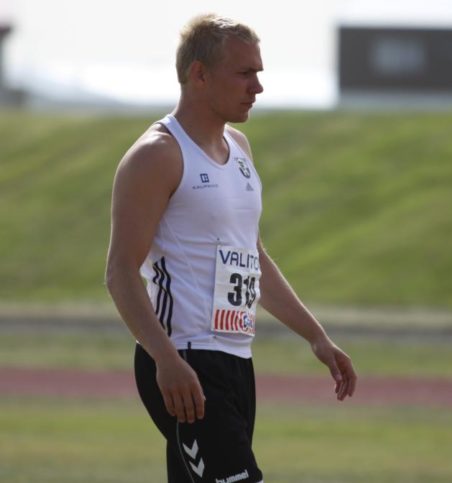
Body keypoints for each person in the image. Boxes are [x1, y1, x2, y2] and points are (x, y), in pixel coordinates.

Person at [105, 14, 357, 483]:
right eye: (244, 73)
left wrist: (316, 336)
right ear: (199, 74)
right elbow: (120, 272)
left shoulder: (239, 148)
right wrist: (166, 360)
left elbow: (252, 257)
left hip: (237, 360)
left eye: (258, 72)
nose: (257, 87)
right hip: (185, 360)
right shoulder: (157, 155)